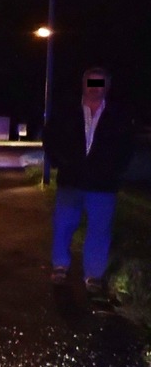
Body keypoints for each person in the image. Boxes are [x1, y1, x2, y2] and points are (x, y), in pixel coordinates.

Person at [44, 66, 135, 297]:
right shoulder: (67, 111)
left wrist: (114, 170)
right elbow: (50, 137)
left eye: (100, 83)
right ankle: (60, 266)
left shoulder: (118, 115)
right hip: (71, 181)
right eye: (91, 83)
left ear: (107, 86)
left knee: (99, 230)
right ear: (83, 85)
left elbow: (127, 147)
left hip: (103, 185)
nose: (95, 89)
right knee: (63, 225)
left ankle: (93, 275)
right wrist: (60, 162)